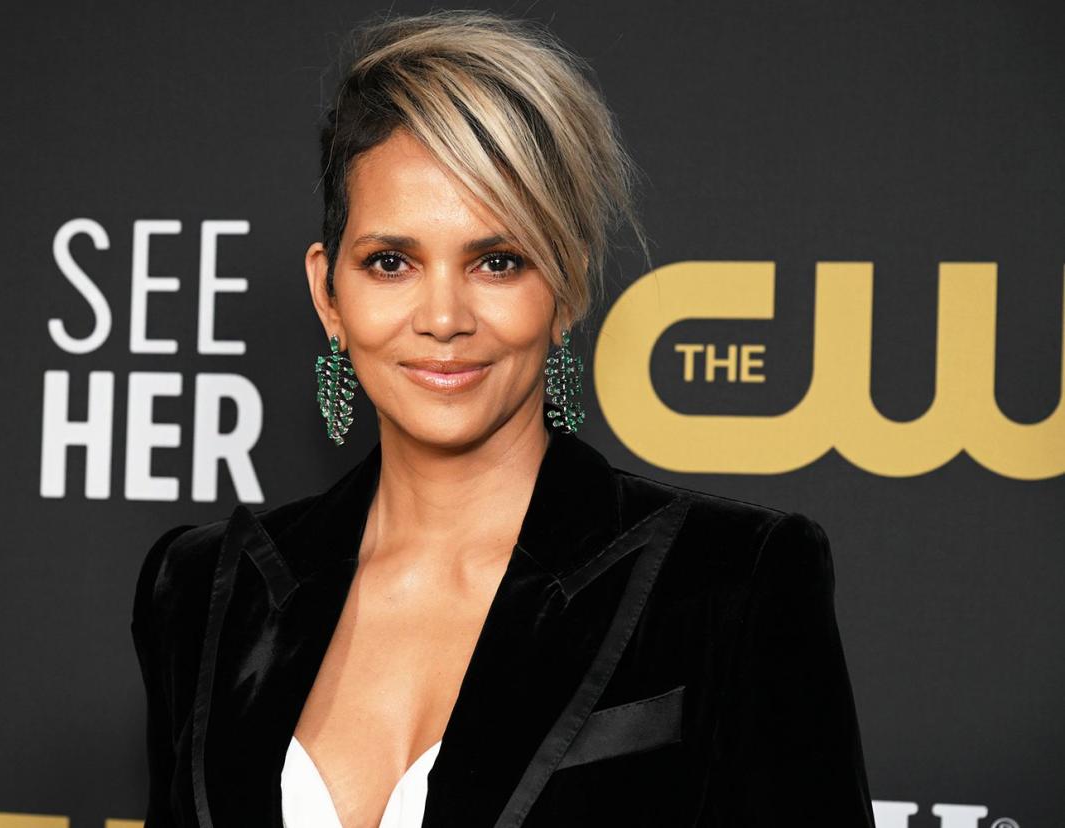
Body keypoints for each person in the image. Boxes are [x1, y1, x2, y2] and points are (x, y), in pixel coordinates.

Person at [130, 9, 876, 828]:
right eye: (391, 262)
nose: (443, 316)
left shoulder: (731, 581)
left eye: (497, 261)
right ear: (328, 294)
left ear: (566, 291)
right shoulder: (203, 589)